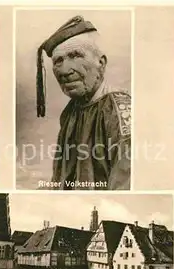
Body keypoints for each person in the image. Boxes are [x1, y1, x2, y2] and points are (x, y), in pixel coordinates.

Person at [36, 16, 131, 190]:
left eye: (75, 56)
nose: (65, 70)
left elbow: (126, 183)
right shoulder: (70, 112)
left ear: (100, 63)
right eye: (58, 61)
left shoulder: (118, 110)